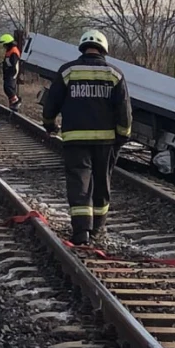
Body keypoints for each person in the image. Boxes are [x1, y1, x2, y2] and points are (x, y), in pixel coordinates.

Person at [41, 30, 132, 246]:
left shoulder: (68, 71)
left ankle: (81, 233)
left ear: (83, 47)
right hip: (105, 142)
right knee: (102, 183)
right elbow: (124, 111)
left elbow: (51, 102)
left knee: (79, 184)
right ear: (104, 49)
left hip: (75, 140)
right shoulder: (115, 74)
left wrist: (49, 124)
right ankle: (98, 228)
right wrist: (123, 136)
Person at [0, 33, 21, 112]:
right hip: (8, 73)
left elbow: (13, 64)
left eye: (5, 44)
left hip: (12, 73)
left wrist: (11, 72)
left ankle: (16, 101)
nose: (4, 46)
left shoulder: (13, 51)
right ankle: (13, 104)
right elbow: (7, 61)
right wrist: (2, 64)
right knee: (7, 88)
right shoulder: (9, 51)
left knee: (8, 87)